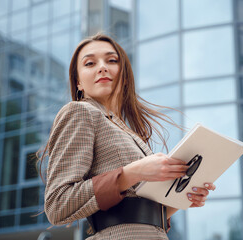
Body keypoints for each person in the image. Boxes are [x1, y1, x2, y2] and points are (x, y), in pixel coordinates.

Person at [38, 33, 216, 239]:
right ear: (78, 82)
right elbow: (58, 205)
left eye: (111, 60)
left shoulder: (128, 131)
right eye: (90, 63)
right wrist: (133, 172)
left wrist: (182, 198)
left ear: (123, 75)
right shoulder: (80, 112)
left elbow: (135, 212)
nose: (102, 67)